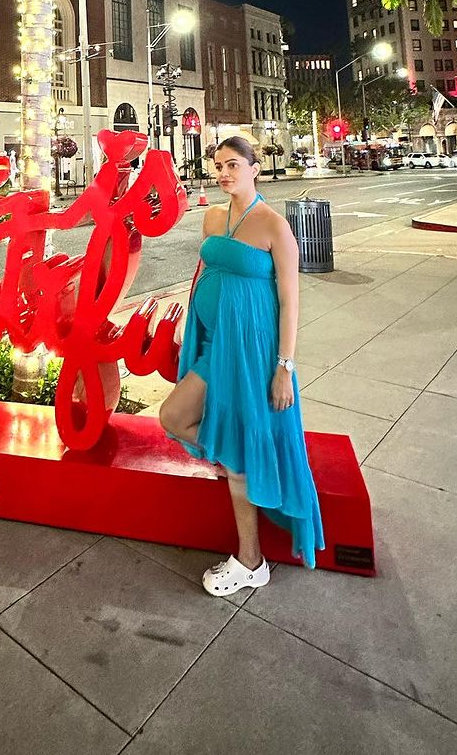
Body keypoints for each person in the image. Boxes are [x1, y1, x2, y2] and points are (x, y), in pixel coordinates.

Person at [159, 135, 323, 595]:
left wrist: (284, 367)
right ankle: (242, 457)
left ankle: (251, 561)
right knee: (173, 416)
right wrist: (193, 322)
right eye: (218, 166)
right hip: (216, 345)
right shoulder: (213, 217)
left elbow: (290, 302)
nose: (224, 173)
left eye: (233, 164)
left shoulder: (275, 226)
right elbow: (208, 271)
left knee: (227, 445)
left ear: (255, 168)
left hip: (253, 353)